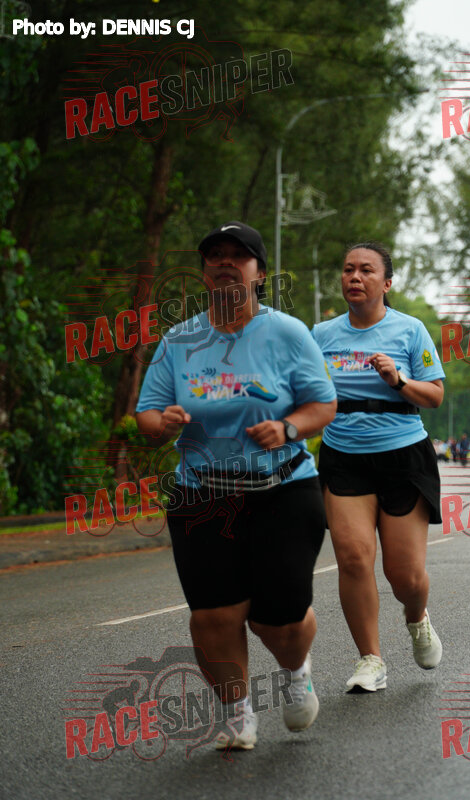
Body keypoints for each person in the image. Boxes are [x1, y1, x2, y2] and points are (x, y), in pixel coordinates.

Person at [136, 221, 337, 751]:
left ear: (259, 272)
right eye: (215, 255)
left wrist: (288, 428)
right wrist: (164, 423)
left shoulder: (288, 332)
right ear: (204, 273)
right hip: (201, 492)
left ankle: (296, 671)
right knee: (214, 615)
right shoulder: (179, 340)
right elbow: (147, 413)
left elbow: (323, 404)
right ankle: (237, 713)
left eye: (238, 255)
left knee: (279, 622)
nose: (225, 262)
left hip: (283, 489)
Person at [311, 241, 445, 692]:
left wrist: (399, 379)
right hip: (344, 456)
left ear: (386, 283)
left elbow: (435, 395)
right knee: (353, 558)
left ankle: (417, 617)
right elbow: (302, 389)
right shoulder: (321, 334)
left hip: (403, 455)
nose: (354, 276)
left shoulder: (410, 330)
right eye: (348, 269)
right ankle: (371, 659)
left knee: (404, 576)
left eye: (366, 270)